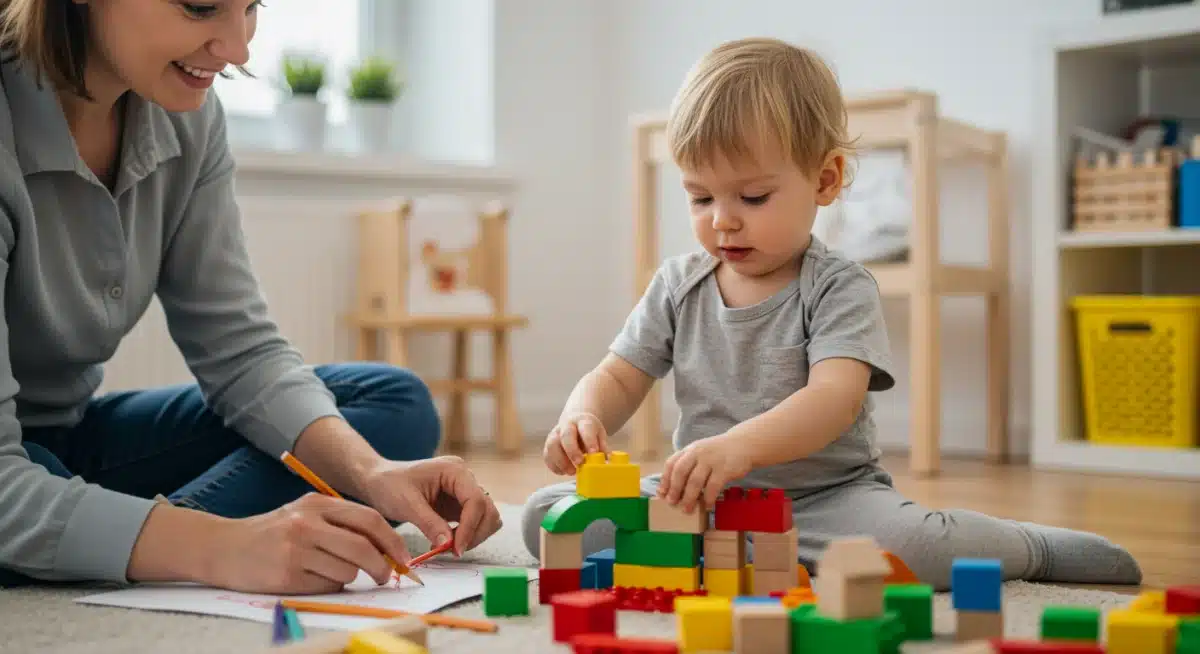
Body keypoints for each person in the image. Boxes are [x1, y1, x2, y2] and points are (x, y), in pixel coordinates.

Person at [521, 36, 1142, 591]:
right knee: (545, 521)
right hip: (700, 499)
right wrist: (582, 413)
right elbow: (620, 375)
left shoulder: (839, 286)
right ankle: (724, 553)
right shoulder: (678, 283)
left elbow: (832, 402)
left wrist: (738, 446)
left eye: (753, 196)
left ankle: (1029, 546)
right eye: (700, 196)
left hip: (825, 499)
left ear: (825, 180)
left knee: (919, 550)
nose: (722, 219)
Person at [0, 0, 501, 593]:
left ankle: (118, 540)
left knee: (395, 405)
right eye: (201, 7)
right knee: (32, 493)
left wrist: (373, 473)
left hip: (67, 437)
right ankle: (159, 545)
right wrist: (221, 546)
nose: (239, 50)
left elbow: (240, 351)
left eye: (251, 7)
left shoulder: (187, 116)